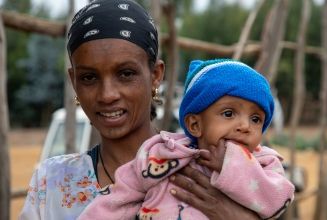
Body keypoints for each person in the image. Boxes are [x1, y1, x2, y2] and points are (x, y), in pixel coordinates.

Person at [19, 0, 259, 219]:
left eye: (125, 74)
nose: (107, 95)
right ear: (74, 82)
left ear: (155, 76)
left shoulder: (210, 168)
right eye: (89, 77)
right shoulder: (52, 183)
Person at [78, 59, 295, 220]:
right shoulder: (161, 153)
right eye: (229, 114)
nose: (245, 126)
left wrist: (232, 164)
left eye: (256, 119)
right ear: (195, 125)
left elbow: (276, 202)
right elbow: (117, 199)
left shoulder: (265, 163)